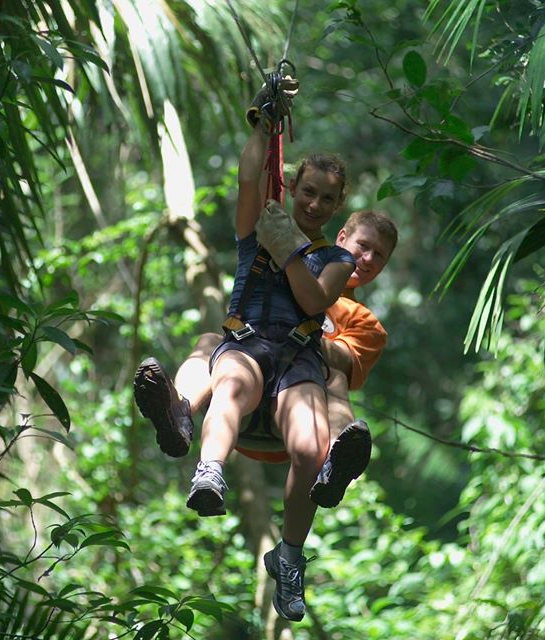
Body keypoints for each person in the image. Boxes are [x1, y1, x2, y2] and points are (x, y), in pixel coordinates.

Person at [134, 85, 356, 622]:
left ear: (337, 206)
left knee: (310, 447)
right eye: (307, 191)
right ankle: (207, 466)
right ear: (295, 186)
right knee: (229, 385)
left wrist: (290, 247)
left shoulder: (336, 258)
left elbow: (313, 298)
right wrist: (263, 124)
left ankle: (289, 556)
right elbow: (248, 176)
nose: (314, 204)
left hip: (299, 355)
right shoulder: (255, 232)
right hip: (249, 339)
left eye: (327, 199)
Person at [136, 209, 398, 505]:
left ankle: (335, 461)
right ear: (342, 238)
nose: (367, 259)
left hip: (293, 417)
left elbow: (346, 361)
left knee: (334, 376)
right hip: (242, 395)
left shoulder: (366, 323)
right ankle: (178, 412)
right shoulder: (295, 270)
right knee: (211, 341)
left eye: (379, 256)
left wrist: (298, 333)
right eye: (363, 246)